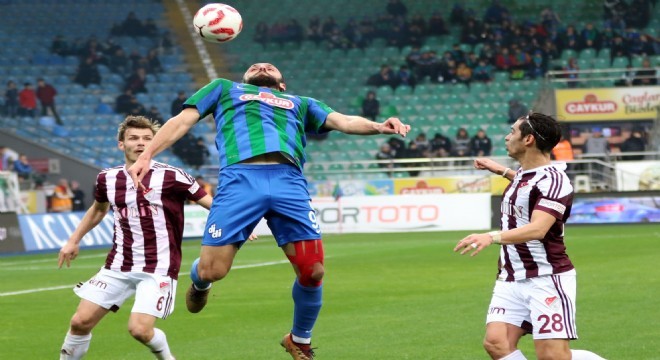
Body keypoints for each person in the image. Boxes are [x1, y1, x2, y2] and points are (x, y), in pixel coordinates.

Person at [127, 63, 410, 360]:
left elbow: (344, 121)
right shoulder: (224, 88)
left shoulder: (302, 103)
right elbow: (182, 120)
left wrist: (379, 127)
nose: (262, 66)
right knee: (215, 270)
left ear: (282, 84)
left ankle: (299, 339)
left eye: (269, 66)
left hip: (289, 182)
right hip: (240, 181)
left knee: (313, 271)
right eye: (255, 66)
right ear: (245, 78)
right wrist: (147, 154)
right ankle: (201, 280)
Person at [57, 116, 216, 360]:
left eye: (147, 139)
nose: (140, 143)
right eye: (133, 138)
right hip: (118, 265)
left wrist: (234, 226)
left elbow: (211, 204)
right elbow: (98, 210)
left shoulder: (173, 176)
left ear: (156, 143)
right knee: (80, 322)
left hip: (159, 267)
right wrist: (73, 240)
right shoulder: (107, 179)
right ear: (121, 144)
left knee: (140, 330)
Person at [454, 113, 605, 360]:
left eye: (512, 132)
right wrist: (502, 170)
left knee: (553, 356)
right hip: (511, 278)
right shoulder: (525, 174)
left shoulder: (555, 180)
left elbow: (538, 229)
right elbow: (528, 186)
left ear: (528, 140)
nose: (507, 136)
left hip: (546, 276)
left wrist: (491, 237)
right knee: (496, 343)